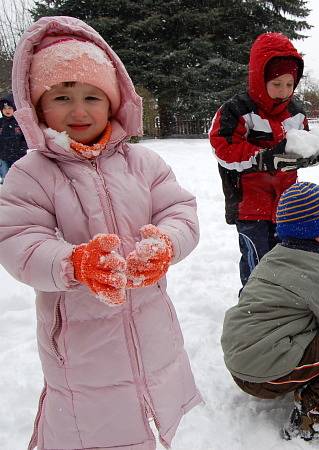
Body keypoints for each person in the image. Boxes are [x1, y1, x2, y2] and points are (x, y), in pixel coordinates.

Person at [0, 16, 201, 449]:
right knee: (89, 426)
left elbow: (179, 210)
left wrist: (166, 243)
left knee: (145, 414)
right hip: (80, 341)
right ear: (37, 105)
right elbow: (18, 240)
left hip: (150, 328)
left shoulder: (143, 164)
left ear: (112, 102)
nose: (79, 110)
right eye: (61, 97)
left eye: (92, 96)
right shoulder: (30, 174)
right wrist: (73, 263)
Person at [220, 182, 319, 448]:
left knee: (316, 330)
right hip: (263, 372)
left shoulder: (276, 256)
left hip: (241, 362)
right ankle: (311, 424)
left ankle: (294, 379)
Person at [209, 32, 319, 287]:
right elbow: (223, 146)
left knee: (286, 263)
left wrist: (308, 155)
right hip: (251, 206)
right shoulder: (238, 110)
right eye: (276, 84)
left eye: (289, 84)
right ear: (259, 78)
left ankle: (283, 308)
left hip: (287, 205)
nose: (284, 92)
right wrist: (262, 158)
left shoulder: (296, 114)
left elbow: (302, 143)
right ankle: (254, 314)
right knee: (259, 267)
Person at [0, 95, 27, 182]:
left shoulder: (20, 121)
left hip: (18, 156)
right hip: (3, 157)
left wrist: (22, 149)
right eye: (4, 108)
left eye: (9, 108)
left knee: (19, 179)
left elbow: (26, 137)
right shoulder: (0, 122)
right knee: (7, 179)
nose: (7, 110)